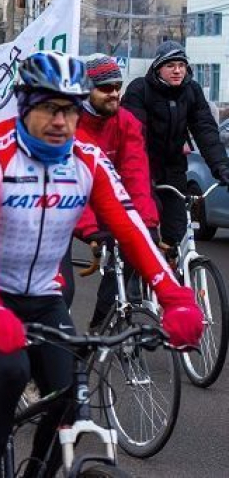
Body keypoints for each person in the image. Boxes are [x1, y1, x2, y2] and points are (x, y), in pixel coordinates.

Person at [0, 51, 203, 478]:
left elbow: (131, 227)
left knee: (70, 397)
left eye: (70, 109)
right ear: (24, 106)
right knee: (9, 372)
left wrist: (174, 296)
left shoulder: (88, 161)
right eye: (48, 108)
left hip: (42, 291)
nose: (61, 120)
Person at [73, 55, 159, 327]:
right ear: (87, 90)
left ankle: (102, 323)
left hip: (110, 202)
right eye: (106, 88)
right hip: (70, 205)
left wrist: (144, 224)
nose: (114, 94)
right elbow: (70, 183)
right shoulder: (69, 123)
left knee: (129, 255)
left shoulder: (127, 121)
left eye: (117, 86)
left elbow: (135, 175)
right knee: (59, 290)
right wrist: (88, 229)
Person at [122, 41, 229, 248]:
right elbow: (133, 137)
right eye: (171, 66)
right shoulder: (139, 90)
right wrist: (140, 176)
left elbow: (205, 130)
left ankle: (177, 273)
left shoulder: (191, 91)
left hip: (174, 169)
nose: (177, 70)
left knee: (177, 233)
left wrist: (221, 167)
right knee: (143, 233)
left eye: (181, 65)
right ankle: (135, 276)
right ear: (158, 67)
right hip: (142, 169)